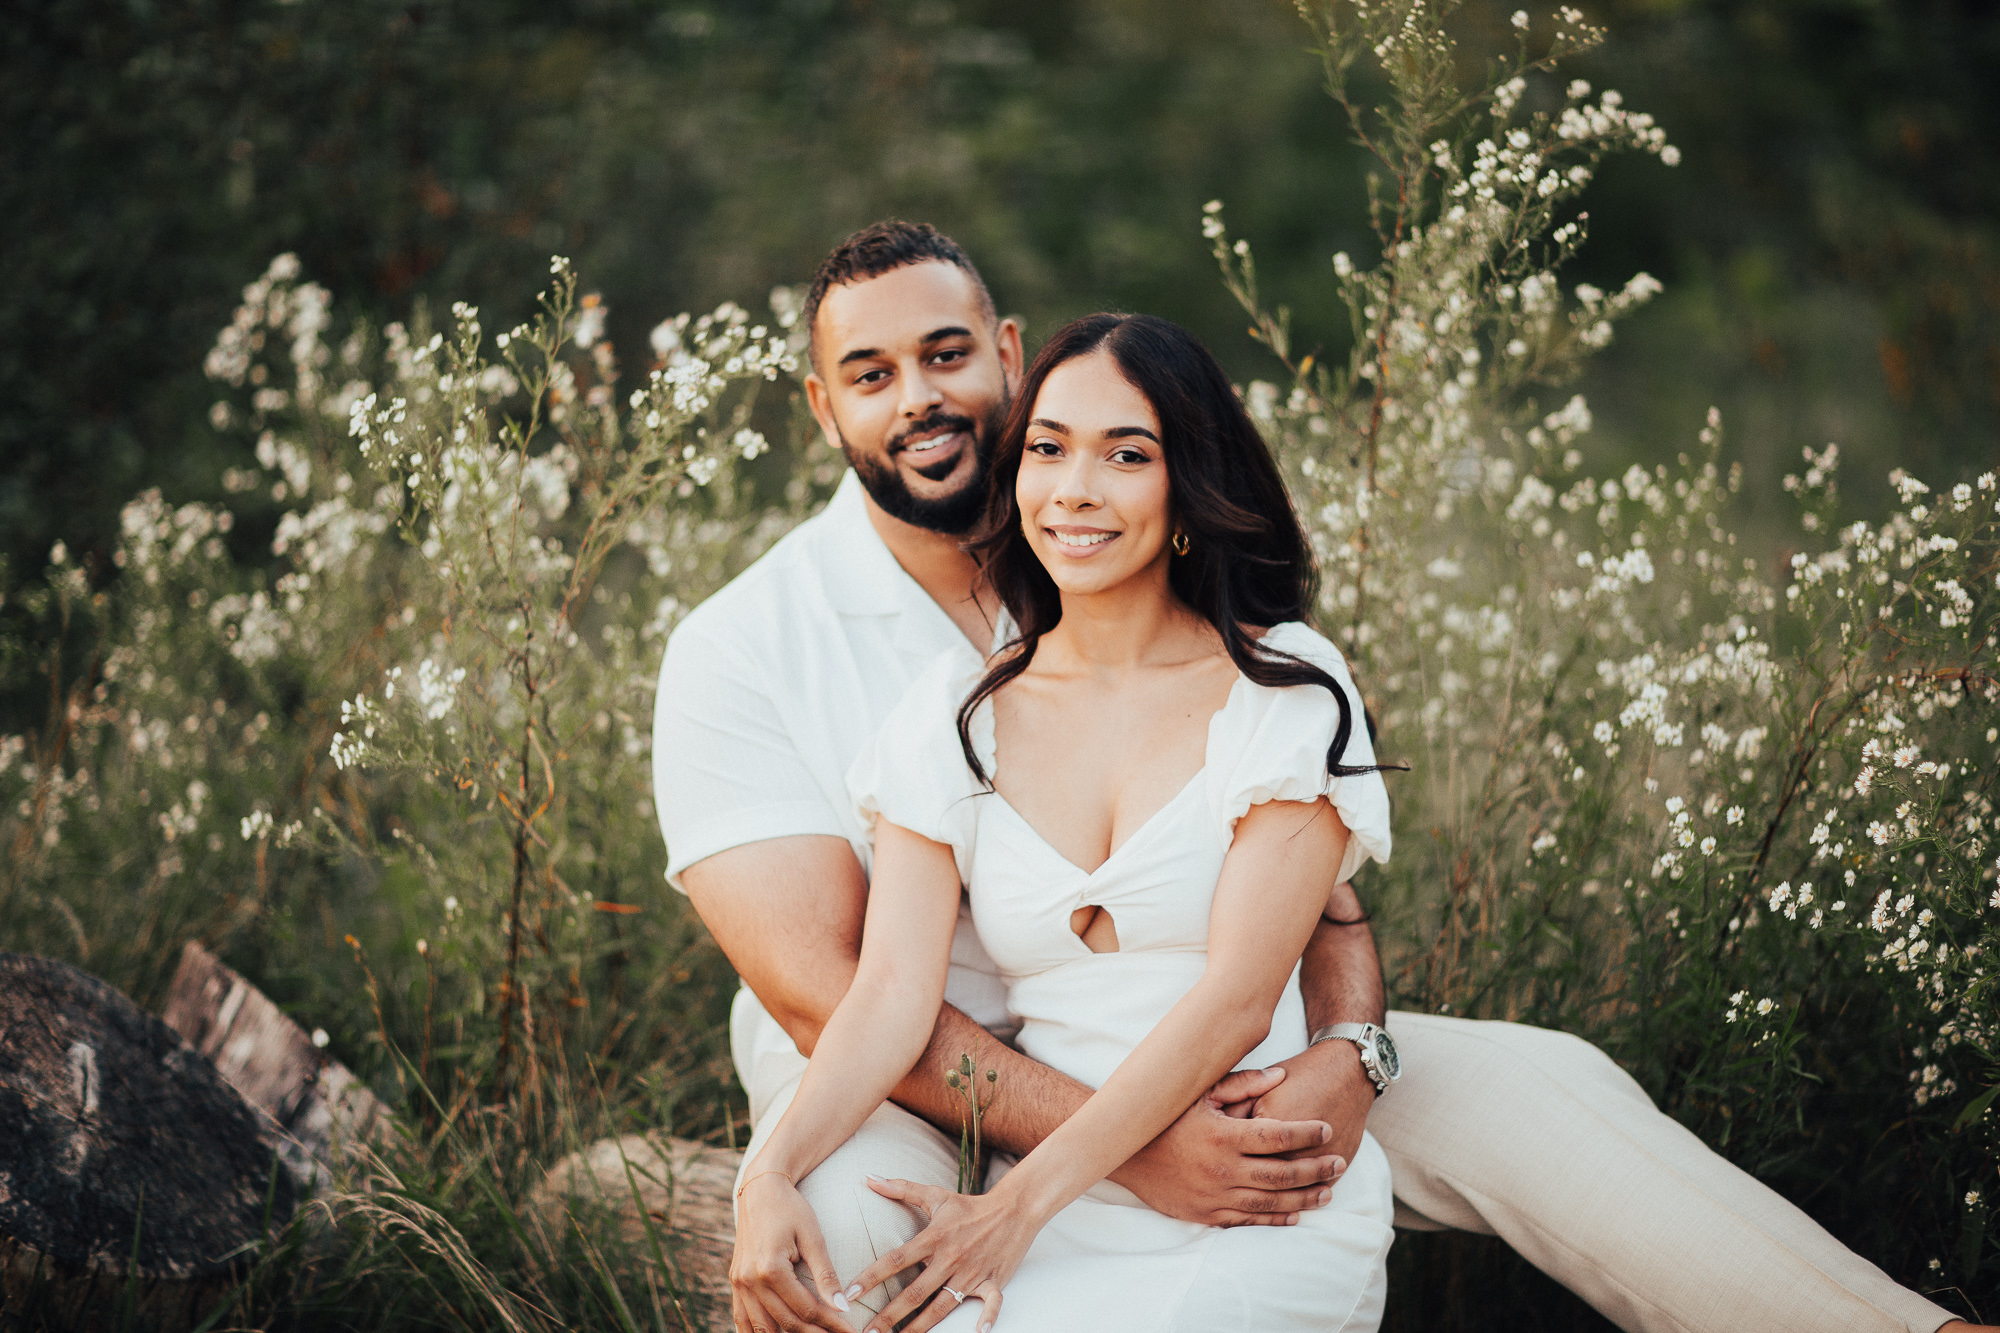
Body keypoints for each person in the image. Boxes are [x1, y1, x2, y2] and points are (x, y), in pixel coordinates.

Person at [654, 220, 1970, 1333]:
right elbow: (838, 998)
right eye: (870, 373)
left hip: (1208, 1028)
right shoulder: (745, 647)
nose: (920, 398)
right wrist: (1133, 1142)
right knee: (852, 1257)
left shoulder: (1171, 595)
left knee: (1545, 1090)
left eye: (947, 356)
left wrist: (1349, 1044)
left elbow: (1309, 907)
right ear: (824, 404)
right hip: (909, 1087)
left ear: (1009, 359)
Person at [732, 311, 1399, 1333]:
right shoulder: (952, 713)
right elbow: (891, 994)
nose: (1073, 490)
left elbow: (1234, 999)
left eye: (1124, 455)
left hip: (1252, 1211)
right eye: (1045, 448)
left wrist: (1008, 1209)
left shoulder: (1285, 688)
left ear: (1187, 483)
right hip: (1061, 1214)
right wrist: (767, 1174)